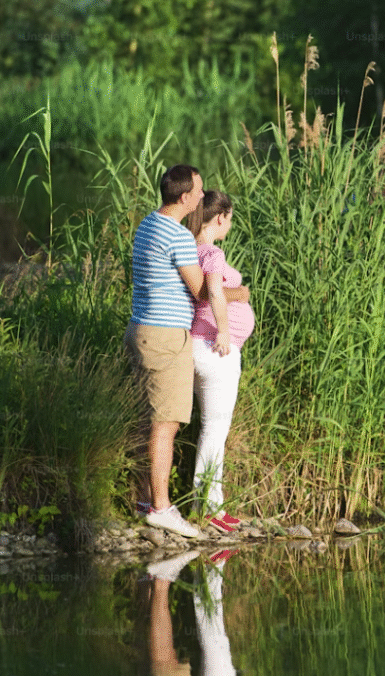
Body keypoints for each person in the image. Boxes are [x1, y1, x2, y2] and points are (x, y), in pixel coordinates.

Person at [124, 165, 248, 538]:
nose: (201, 196)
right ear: (184, 197)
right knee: (167, 424)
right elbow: (201, 292)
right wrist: (240, 294)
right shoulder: (177, 237)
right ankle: (161, 509)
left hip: (141, 328)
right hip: (163, 338)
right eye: (197, 190)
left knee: (150, 420)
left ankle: (147, 500)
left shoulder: (148, 224)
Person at [188, 191, 255, 532]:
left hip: (197, 348)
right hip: (216, 349)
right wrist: (226, 333)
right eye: (229, 219)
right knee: (215, 430)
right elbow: (212, 293)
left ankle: (206, 503)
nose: (230, 225)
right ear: (220, 218)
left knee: (209, 428)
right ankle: (210, 509)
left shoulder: (189, 249)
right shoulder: (212, 251)